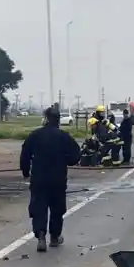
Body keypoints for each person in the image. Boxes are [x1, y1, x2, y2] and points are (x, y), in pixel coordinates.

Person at [20, 106, 82, 252]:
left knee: (39, 208)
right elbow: (75, 155)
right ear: (58, 120)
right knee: (57, 209)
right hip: (58, 179)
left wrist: (25, 171)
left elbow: (25, 154)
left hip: (39, 179)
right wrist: (66, 161)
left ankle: (41, 236)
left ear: (46, 119)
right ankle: (54, 237)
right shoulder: (64, 137)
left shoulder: (35, 135)